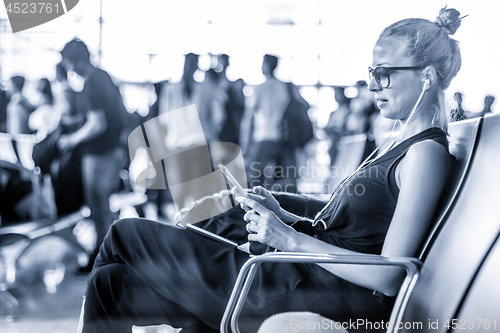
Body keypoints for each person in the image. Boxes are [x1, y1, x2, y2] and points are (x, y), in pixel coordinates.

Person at [81, 7, 463, 333]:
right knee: (109, 283)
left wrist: (288, 238)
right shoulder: (398, 143)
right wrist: (285, 217)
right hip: (299, 276)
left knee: (124, 232)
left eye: (384, 73)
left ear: (426, 77)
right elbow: (355, 236)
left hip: (314, 291)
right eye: (371, 72)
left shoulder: (425, 153)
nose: (373, 84)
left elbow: (390, 274)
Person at [57, 39, 127, 273]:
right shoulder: (103, 77)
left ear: (75, 60)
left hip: (100, 154)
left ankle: (102, 256)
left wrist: (72, 138)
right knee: (103, 206)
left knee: (98, 207)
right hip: (112, 150)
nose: (68, 69)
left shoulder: (92, 82)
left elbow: (98, 123)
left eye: (68, 63)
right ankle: (106, 253)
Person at [246, 54, 297, 192]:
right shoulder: (284, 87)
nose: (261, 67)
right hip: (280, 138)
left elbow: (248, 118)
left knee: (256, 183)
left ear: (268, 65)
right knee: (279, 181)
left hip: (263, 138)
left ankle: (255, 211)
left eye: (263, 63)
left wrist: (245, 144)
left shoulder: (260, 88)